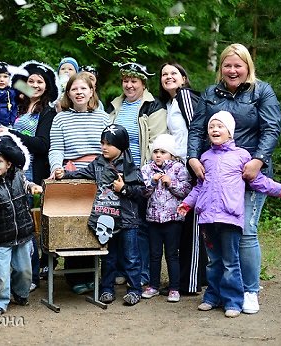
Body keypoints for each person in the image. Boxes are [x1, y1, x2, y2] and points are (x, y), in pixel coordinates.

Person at [187, 43, 281, 314]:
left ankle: (250, 290)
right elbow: (196, 129)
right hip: (217, 173)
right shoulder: (210, 93)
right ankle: (219, 291)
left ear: (247, 67)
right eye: (227, 65)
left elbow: (272, 128)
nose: (232, 70)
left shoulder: (261, 91)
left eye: (237, 65)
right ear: (221, 68)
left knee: (246, 233)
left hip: (251, 173)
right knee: (216, 236)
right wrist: (193, 158)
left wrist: (258, 161)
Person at [178, 111, 281, 318]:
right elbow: (200, 186)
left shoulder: (241, 156)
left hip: (230, 218)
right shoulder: (205, 158)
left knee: (230, 262)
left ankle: (233, 301)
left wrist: (280, 189)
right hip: (207, 219)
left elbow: (258, 181)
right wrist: (187, 203)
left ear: (230, 133)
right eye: (211, 127)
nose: (215, 130)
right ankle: (212, 296)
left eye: (220, 126)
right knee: (213, 261)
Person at [55, 124, 144, 306]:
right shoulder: (98, 164)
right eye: (102, 143)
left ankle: (135, 290)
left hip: (128, 220)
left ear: (120, 146)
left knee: (131, 257)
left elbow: (141, 191)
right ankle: (106, 289)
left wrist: (124, 189)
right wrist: (65, 174)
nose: (104, 147)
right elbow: (81, 173)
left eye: (109, 144)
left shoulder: (130, 166)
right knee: (108, 257)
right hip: (107, 219)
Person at [0, 60, 60, 290]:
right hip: (11, 174)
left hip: (34, 175)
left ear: (47, 86)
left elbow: (42, 144)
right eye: (30, 81)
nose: (34, 85)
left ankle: (32, 273)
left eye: (39, 81)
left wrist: (11, 133)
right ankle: (6, 271)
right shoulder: (15, 108)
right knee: (9, 220)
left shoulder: (49, 113)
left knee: (31, 224)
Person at [48, 72, 110, 294]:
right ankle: (75, 278)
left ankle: (92, 274)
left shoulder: (103, 117)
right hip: (71, 174)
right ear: (68, 93)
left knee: (95, 223)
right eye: (74, 89)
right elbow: (56, 147)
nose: (79, 92)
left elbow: (108, 149)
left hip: (97, 174)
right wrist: (57, 167)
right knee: (74, 223)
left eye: (83, 88)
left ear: (92, 91)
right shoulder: (61, 118)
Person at [106, 62, 167, 287]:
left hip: (139, 172)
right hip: (115, 171)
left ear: (143, 83)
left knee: (139, 224)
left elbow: (156, 143)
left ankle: (141, 272)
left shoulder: (153, 107)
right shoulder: (114, 106)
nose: (129, 85)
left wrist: (143, 174)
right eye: (126, 81)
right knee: (118, 220)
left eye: (134, 81)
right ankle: (122, 267)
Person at [0, 133, 43, 317]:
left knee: (24, 270)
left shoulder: (18, 176)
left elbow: (27, 184)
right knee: (2, 274)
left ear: (8, 163)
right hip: (1, 236)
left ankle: (21, 294)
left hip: (23, 233)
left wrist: (33, 187)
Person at [158, 62, 206, 295]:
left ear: (184, 78)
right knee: (186, 223)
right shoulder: (170, 103)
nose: (168, 76)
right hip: (180, 169)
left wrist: (195, 162)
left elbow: (197, 130)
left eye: (173, 73)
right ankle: (195, 277)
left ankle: (191, 282)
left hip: (192, 168)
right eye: (164, 74)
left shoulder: (185, 96)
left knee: (192, 227)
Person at [140, 134, 192, 303]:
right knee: (154, 254)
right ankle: (153, 286)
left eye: (163, 151)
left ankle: (174, 288)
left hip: (173, 219)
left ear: (171, 154)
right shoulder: (147, 169)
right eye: (156, 151)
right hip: (154, 219)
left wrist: (171, 183)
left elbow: (186, 191)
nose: (158, 155)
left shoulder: (179, 168)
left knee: (172, 254)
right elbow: (143, 192)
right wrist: (153, 183)